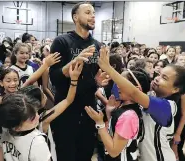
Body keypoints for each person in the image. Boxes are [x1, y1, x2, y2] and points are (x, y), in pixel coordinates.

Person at [95, 46, 185, 161]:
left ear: (176, 89)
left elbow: (133, 92)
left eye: (164, 78)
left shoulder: (167, 107)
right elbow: (125, 90)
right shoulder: (150, 95)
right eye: (160, 74)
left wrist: (109, 69)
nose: (157, 79)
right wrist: (101, 82)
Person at [49, 2, 109, 161]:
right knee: (66, 154)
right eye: (88, 12)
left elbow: (92, 80)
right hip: (66, 108)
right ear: (76, 17)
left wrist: (98, 81)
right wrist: (73, 62)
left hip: (89, 108)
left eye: (94, 13)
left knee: (86, 153)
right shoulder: (61, 41)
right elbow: (54, 77)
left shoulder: (97, 45)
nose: (93, 16)